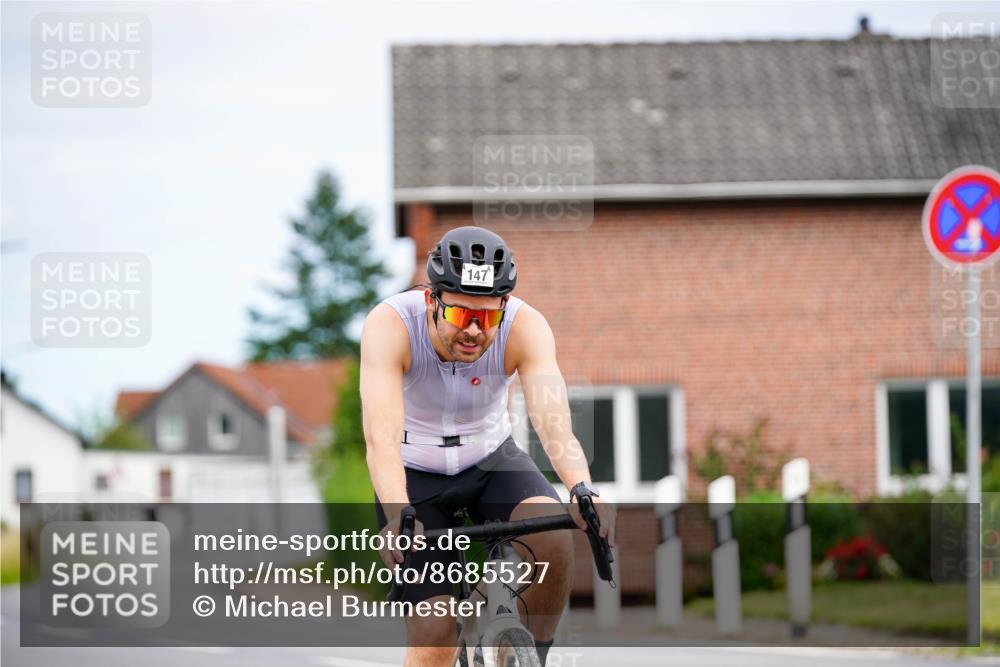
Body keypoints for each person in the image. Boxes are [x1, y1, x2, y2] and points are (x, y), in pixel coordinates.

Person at [361, 226, 616, 667]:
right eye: (462, 315)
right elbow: (380, 439)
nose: (476, 331)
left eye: (489, 316)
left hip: (491, 458)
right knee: (432, 636)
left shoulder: (526, 326)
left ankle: (529, 653)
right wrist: (397, 514)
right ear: (431, 301)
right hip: (414, 472)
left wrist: (582, 489)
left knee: (554, 539)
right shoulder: (390, 326)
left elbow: (555, 427)